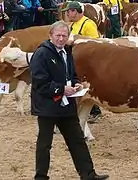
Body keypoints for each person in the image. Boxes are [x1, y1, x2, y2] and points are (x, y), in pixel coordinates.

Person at [29, 20, 109, 180]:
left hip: (66, 104)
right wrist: (61, 89)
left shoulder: (67, 51)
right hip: (47, 106)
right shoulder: (41, 54)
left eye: (64, 35)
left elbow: (71, 74)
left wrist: (76, 84)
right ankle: (41, 177)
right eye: (58, 35)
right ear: (50, 35)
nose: (61, 38)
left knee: (77, 140)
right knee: (45, 144)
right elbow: (39, 82)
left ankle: (88, 174)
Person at [65, 1, 102, 121]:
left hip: (87, 61)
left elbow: (95, 43)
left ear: (74, 11)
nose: (67, 14)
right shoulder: (72, 25)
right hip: (75, 60)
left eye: (68, 12)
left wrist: (76, 40)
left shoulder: (88, 24)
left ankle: (95, 111)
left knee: (88, 86)